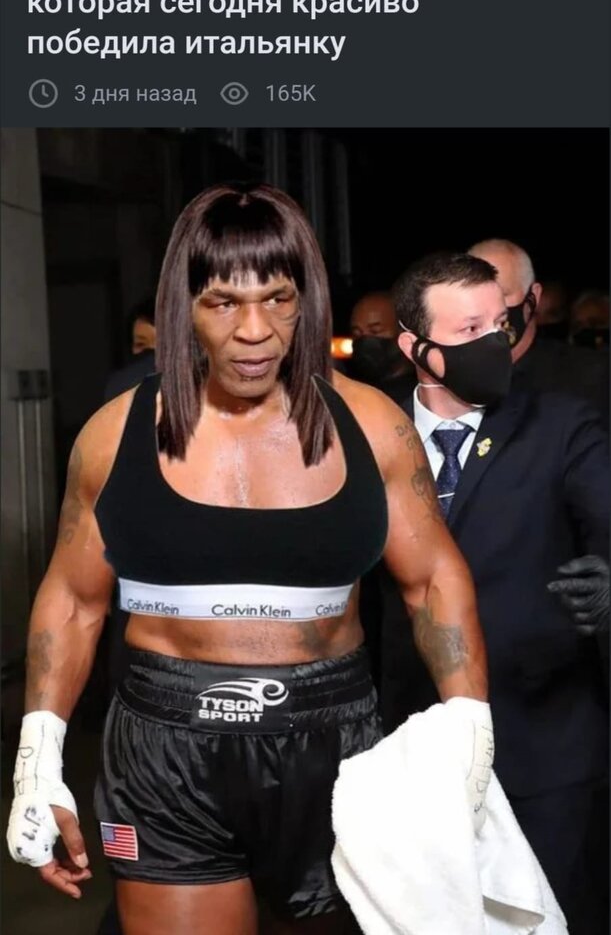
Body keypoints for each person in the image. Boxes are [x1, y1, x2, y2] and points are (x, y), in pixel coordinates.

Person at [7, 185, 490, 935]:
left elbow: (432, 578)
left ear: (305, 300)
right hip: (166, 753)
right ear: (184, 307)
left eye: (277, 299)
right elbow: (74, 600)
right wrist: (38, 756)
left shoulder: (372, 425)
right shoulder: (113, 436)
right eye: (224, 303)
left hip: (333, 743)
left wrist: (469, 719)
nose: (255, 331)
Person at [380, 250, 609, 935]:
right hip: (409, 747)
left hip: (542, 744)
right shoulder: (371, 432)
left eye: (499, 325)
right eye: (469, 330)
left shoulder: (561, 425)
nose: (495, 344)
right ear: (414, 349)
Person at [468, 238, 609, 424]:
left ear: (533, 296)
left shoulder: (592, 377)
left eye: (501, 294)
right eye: (473, 296)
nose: (486, 308)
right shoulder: (449, 378)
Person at [348, 290, 415, 404]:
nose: (365, 340)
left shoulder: (420, 397)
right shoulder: (351, 392)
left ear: (402, 332)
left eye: (375, 331)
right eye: (357, 333)